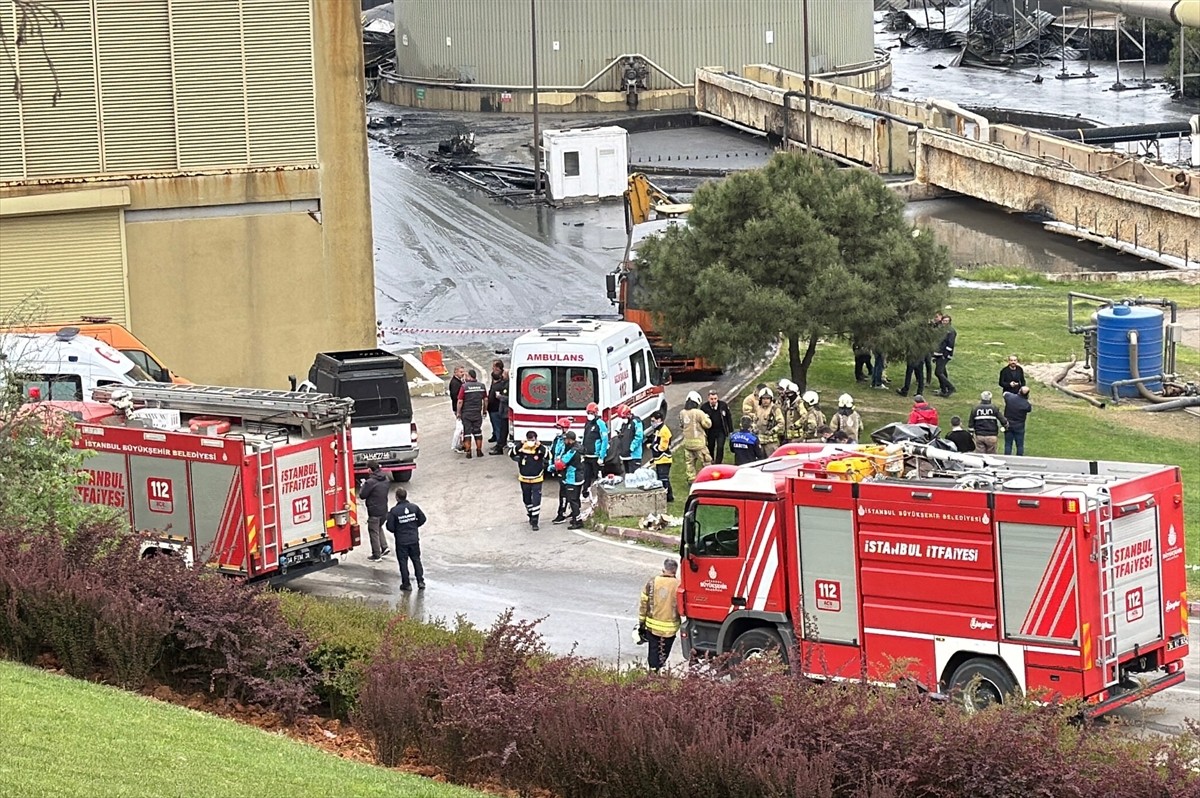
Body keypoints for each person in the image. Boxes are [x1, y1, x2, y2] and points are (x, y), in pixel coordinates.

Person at [638, 558, 681, 673]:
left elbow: (643, 603)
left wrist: (641, 622)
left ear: (663, 570)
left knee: (653, 650)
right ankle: (659, 669)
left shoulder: (652, 582)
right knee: (664, 653)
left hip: (653, 627)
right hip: (670, 629)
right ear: (675, 572)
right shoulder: (679, 585)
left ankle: (653, 672)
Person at [385, 486, 427, 592]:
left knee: (403, 562)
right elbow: (423, 519)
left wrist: (399, 530)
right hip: (413, 539)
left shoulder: (394, 511)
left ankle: (406, 584)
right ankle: (420, 581)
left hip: (401, 541)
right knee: (416, 560)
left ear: (397, 497)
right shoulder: (414, 507)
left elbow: (390, 527)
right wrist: (413, 525)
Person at [511, 430, 549, 529]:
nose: (531, 442)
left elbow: (549, 456)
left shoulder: (540, 448)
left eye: (533, 440)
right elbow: (511, 454)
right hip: (524, 478)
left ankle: (535, 520)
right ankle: (530, 513)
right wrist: (520, 444)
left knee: (536, 500)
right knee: (526, 499)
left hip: (537, 478)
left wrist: (540, 446)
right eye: (529, 440)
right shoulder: (522, 448)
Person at [358, 464, 392, 562]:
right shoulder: (385, 479)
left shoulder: (370, 482)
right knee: (378, 527)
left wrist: (363, 486)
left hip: (374, 511)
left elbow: (362, 495)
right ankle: (384, 547)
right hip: (384, 509)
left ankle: (376, 554)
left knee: (373, 532)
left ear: (370, 469)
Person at [554, 431, 584, 529]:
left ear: (569, 440)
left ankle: (578, 521)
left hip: (573, 478)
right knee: (576, 499)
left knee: (572, 500)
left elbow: (561, 464)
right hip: (580, 476)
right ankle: (576, 518)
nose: (565, 441)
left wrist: (554, 465)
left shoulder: (572, 451)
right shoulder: (580, 447)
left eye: (566, 439)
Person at [679, 390, 712, 481]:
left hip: (687, 444)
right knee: (706, 461)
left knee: (690, 463)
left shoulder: (682, 413)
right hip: (699, 444)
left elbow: (682, 425)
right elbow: (707, 425)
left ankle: (691, 480)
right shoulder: (698, 413)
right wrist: (707, 417)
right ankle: (707, 479)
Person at [456, 368, 488, 459]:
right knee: (478, 431)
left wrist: (458, 412)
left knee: (467, 433)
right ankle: (479, 451)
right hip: (477, 413)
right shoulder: (481, 386)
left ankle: (469, 452)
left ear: (470, 376)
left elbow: (460, 401)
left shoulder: (464, 387)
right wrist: (484, 410)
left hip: (466, 413)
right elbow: (485, 400)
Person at [579, 402, 609, 498]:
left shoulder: (600, 423)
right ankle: (585, 494)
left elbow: (604, 440)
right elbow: (585, 437)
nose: (590, 415)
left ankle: (601, 496)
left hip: (596, 456)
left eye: (591, 413)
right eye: (588, 413)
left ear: (596, 413)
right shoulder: (587, 423)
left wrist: (601, 456)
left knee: (598, 477)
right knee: (586, 476)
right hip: (587, 455)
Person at [549, 418, 573, 522]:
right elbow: (553, 452)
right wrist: (551, 465)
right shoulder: (557, 439)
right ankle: (570, 510)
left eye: (559, 427)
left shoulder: (568, 441)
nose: (558, 429)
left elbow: (566, 457)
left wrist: (558, 465)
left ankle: (562, 513)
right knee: (564, 492)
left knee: (565, 492)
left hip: (566, 470)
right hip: (558, 469)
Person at [700, 389, 734, 463]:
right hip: (710, 431)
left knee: (720, 446)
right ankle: (711, 460)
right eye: (711, 399)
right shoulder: (704, 408)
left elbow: (728, 417)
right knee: (710, 447)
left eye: (715, 399)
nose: (713, 401)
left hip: (721, 430)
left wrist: (731, 430)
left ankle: (718, 462)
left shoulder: (723, 405)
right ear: (708, 399)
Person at [647, 410, 674, 502]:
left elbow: (662, 447)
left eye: (653, 421)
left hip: (664, 459)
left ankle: (665, 497)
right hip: (659, 459)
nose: (652, 423)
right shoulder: (658, 429)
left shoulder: (664, 431)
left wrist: (651, 446)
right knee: (663, 478)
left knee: (663, 479)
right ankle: (669, 497)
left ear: (659, 420)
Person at [1002, 385, 1033, 456]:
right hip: (1019, 426)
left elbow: (1004, 394)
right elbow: (1029, 409)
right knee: (1020, 445)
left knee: (1008, 444)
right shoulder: (1026, 404)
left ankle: (1007, 457)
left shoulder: (1010, 397)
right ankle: (1019, 458)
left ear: (1019, 391)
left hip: (1008, 424)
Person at [615, 404, 644, 473]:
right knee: (628, 477)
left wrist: (631, 448)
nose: (623, 419)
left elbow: (639, 437)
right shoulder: (624, 423)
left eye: (623, 417)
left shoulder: (636, 422)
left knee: (635, 477)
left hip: (634, 456)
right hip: (625, 455)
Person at [487, 364, 510, 454]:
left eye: (504, 374)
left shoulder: (508, 385)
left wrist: (500, 397)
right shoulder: (504, 383)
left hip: (506, 411)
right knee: (502, 429)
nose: (502, 375)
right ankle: (499, 445)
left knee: (503, 429)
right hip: (503, 411)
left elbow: (509, 398)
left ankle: (500, 446)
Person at [933, 315, 957, 398]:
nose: (945, 322)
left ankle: (950, 388)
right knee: (942, 371)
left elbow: (950, 344)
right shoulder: (941, 329)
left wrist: (945, 354)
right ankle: (943, 389)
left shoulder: (951, 331)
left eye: (947, 321)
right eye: (944, 321)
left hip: (944, 355)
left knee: (938, 372)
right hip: (939, 353)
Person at [486, 359, 506, 445]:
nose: (492, 368)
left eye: (494, 366)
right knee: (494, 424)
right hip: (492, 407)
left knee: (498, 425)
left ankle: (499, 443)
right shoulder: (494, 377)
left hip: (496, 407)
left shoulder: (501, 380)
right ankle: (495, 436)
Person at [448, 365, 467, 453]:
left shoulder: (459, 381)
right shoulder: (455, 383)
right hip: (458, 408)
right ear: (455, 372)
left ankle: (461, 443)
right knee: (460, 427)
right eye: (461, 372)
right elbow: (455, 397)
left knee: (462, 428)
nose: (462, 374)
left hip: (459, 407)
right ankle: (457, 444)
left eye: (463, 372)